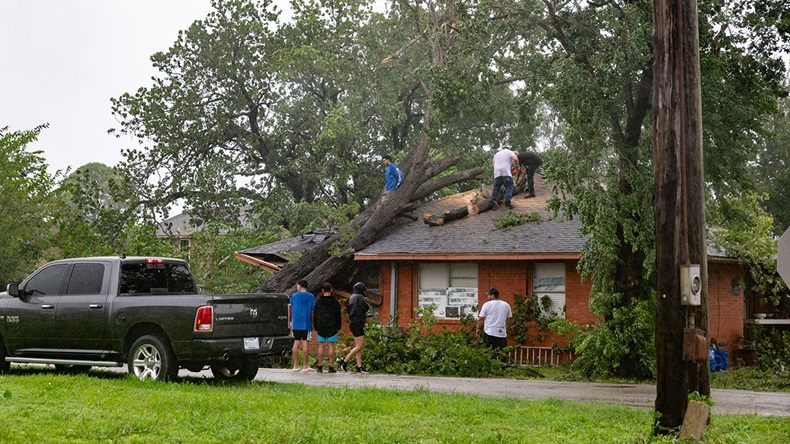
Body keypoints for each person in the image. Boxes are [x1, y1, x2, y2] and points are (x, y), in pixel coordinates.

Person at [339, 281, 370, 373]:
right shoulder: (360, 297)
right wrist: (366, 300)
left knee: (358, 346)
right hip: (358, 322)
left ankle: (359, 366)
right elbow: (367, 307)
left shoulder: (351, 297)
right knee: (360, 346)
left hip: (352, 321)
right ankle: (344, 361)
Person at [313, 282, 342, 373]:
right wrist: (338, 326)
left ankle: (320, 366)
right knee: (331, 346)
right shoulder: (335, 302)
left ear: (322, 290)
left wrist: (316, 326)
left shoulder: (318, 302)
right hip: (332, 326)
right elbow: (338, 315)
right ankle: (330, 366)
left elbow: (315, 315)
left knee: (321, 346)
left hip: (321, 326)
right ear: (331, 290)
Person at [475, 287, 513, 351]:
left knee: (488, 354)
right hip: (501, 334)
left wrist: (477, 328)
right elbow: (510, 319)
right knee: (502, 354)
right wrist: (507, 328)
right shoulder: (506, 305)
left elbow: (481, 318)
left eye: (488, 295)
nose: (488, 296)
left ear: (492, 295)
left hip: (489, 333)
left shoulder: (486, 305)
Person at [290, 279, 315, 372]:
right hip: (306, 322)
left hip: (296, 323)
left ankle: (295, 366)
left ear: (299, 286)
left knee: (296, 342)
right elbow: (312, 308)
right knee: (305, 342)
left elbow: (292, 305)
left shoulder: (294, 296)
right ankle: (305, 366)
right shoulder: (311, 296)